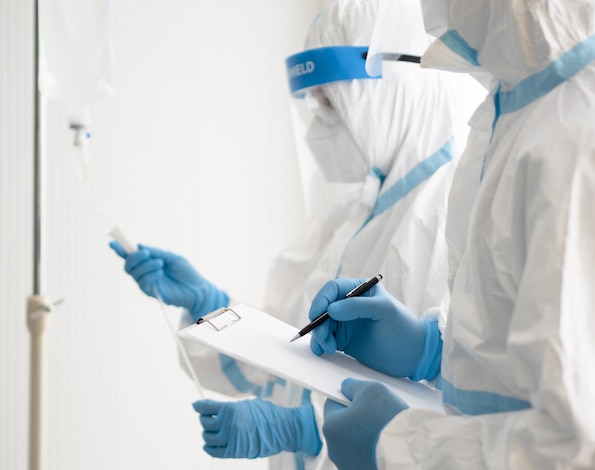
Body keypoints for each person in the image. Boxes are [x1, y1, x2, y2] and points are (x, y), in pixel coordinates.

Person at [109, 0, 482, 468]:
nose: (318, 127)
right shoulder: (349, 217)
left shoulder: (454, 213)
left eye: (331, 103)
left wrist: (309, 432)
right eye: (315, 105)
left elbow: (468, 409)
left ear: (391, 88)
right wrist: (209, 306)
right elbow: (288, 355)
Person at [305, 0, 595, 468]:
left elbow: (586, 451)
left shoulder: (584, 135)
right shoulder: (519, 104)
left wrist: (399, 447)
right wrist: (434, 349)